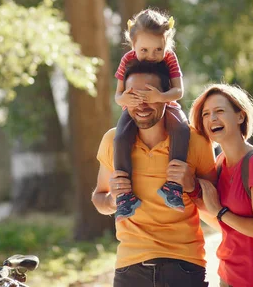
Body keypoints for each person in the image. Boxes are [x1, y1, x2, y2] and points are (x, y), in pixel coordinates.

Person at [92, 60, 216, 287]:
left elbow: (216, 209)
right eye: (133, 96)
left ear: (166, 97)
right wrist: (112, 199)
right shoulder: (112, 141)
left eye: (149, 95)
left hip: (185, 266)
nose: (141, 104)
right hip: (130, 267)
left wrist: (193, 186)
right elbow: (99, 198)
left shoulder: (195, 141)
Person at [189, 84, 253, 287]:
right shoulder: (220, 164)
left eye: (219, 111)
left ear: (240, 117)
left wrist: (220, 211)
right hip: (228, 276)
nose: (212, 118)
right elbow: (223, 224)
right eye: (206, 114)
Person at [113, 9, 190, 221]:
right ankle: (125, 194)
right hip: (135, 107)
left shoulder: (170, 59)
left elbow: (179, 91)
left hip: (165, 103)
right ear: (133, 45)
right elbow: (118, 95)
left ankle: (173, 185)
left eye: (158, 49)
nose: (152, 56)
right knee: (119, 138)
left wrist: (161, 96)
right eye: (144, 50)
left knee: (182, 129)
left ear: (167, 45)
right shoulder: (127, 60)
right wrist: (125, 100)